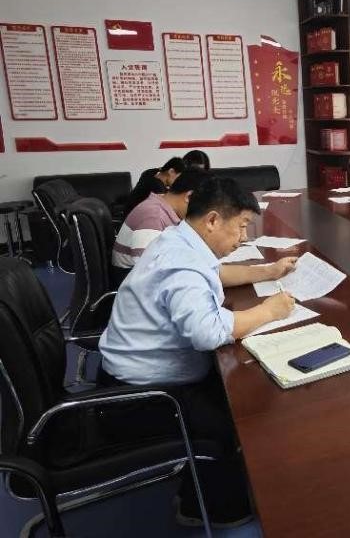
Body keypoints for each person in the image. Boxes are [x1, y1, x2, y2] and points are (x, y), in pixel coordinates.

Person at [99, 176, 296, 527]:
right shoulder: (181, 262)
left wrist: (268, 270)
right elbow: (207, 333)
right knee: (240, 416)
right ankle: (207, 509)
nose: (243, 237)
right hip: (142, 398)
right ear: (213, 220)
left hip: (134, 376)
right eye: (241, 226)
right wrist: (270, 311)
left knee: (240, 388)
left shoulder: (180, 240)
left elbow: (216, 273)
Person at [112, 169, 208, 274]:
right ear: (189, 196)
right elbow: (148, 271)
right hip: (130, 277)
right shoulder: (154, 216)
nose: (201, 214)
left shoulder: (165, 208)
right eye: (202, 208)